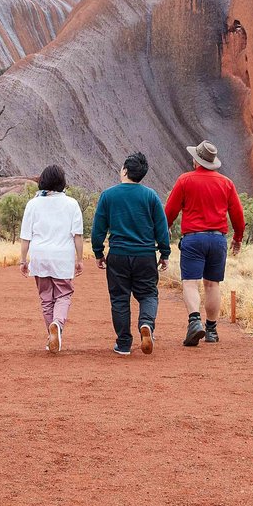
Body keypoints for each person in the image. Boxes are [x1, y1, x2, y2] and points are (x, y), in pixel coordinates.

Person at [164, 140, 245, 347]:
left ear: (196, 160)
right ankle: (211, 330)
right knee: (212, 284)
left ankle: (194, 322)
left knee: (190, 283)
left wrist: (163, 231)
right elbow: (237, 215)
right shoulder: (226, 183)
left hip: (193, 239)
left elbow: (170, 212)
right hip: (217, 239)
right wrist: (237, 239)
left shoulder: (185, 180)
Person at [90, 152, 170, 356]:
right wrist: (164, 252)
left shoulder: (108, 195)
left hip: (118, 255)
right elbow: (161, 227)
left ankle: (124, 343)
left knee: (119, 298)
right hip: (145, 255)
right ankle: (146, 324)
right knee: (148, 294)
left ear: (125, 170)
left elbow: (98, 227)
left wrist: (98, 252)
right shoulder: (151, 196)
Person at [19, 165, 85, 353]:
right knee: (63, 294)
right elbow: (77, 236)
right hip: (62, 257)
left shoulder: (33, 204)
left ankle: (51, 335)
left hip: (39, 257)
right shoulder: (72, 204)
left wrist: (23, 260)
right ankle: (57, 324)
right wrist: (79, 259)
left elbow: (26, 236)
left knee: (46, 298)